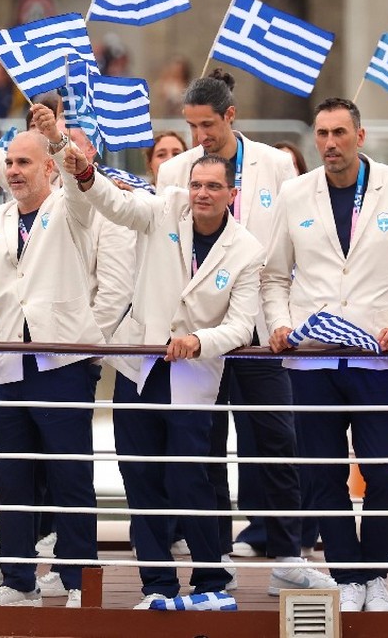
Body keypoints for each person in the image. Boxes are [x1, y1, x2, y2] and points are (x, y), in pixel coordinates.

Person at [65, 149, 264, 609]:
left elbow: (240, 325)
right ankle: (157, 585)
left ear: (232, 194)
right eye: (197, 185)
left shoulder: (248, 250)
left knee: (190, 479)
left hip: (193, 374)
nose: (202, 194)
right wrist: (85, 173)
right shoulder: (166, 206)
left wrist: (199, 341)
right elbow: (117, 206)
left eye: (214, 187)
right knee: (139, 477)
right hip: (141, 369)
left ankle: (211, 579)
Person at [263, 97, 388, 613]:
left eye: (340, 133)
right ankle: (347, 574)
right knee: (322, 472)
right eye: (321, 134)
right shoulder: (295, 192)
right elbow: (274, 275)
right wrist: (278, 324)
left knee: (384, 470)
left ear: (360, 136)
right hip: (312, 356)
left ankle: (376, 573)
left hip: (375, 356)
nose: (330, 144)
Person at [156, 71, 313, 584]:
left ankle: (288, 554)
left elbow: (287, 251)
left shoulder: (277, 164)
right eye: (192, 126)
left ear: (231, 115)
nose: (201, 135)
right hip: (197, 332)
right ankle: (214, 552)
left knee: (275, 439)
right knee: (204, 445)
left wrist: (286, 317)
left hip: (261, 327)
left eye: (208, 124)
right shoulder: (175, 172)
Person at [0, 110, 101, 608]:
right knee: (11, 474)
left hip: (62, 362)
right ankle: (16, 581)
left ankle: (76, 580)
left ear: (49, 168)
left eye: (23, 162)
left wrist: (55, 138)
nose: (11, 170)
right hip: (8, 359)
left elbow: (80, 185)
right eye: (8, 161)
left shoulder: (72, 208)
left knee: (70, 475)